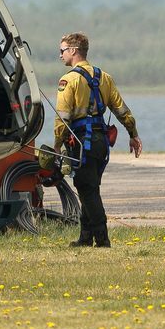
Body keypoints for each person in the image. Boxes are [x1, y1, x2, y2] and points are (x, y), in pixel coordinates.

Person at [55, 32, 142, 248]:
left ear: (73, 51)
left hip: (82, 142)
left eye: (62, 50)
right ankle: (85, 238)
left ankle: (102, 239)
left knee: (86, 188)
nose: (60, 55)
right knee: (90, 186)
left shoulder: (69, 80)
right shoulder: (104, 77)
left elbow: (62, 119)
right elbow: (122, 110)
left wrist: (57, 144)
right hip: (101, 141)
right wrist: (133, 134)